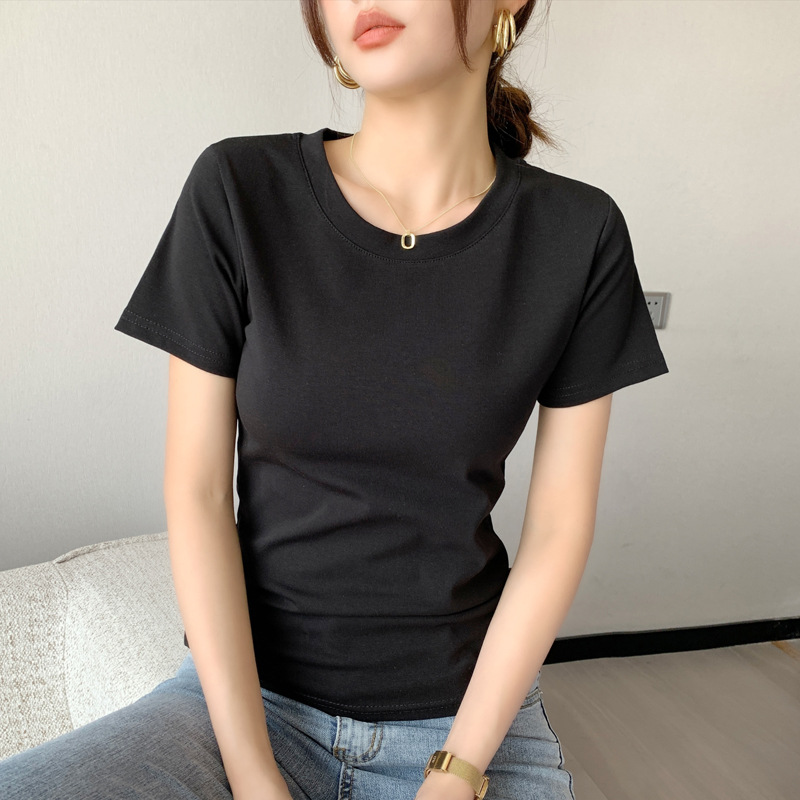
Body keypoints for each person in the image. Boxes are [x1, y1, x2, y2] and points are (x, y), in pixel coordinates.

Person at [0, 2, 669, 799]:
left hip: (466, 723)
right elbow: (198, 493)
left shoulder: (579, 233)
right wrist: (254, 775)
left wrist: (458, 770)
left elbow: (558, 528)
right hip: (246, 709)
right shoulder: (239, 189)